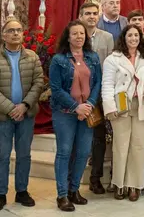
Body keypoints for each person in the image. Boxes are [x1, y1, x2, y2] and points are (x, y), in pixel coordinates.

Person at [0, 20, 44, 212]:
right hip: (1, 117)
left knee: (24, 155)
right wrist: (11, 108)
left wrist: (25, 106)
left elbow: (39, 83)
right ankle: (0, 194)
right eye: (11, 30)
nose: (15, 33)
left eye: (18, 30)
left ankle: (22, 191)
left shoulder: (32, 57)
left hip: (26, 115)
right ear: (4, 35)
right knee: (2, 156)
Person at [50, 20, 102, 212]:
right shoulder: (59, 60)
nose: (79, 37)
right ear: (68, 37)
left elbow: (97, 83)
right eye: (75, 34)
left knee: (82, 152)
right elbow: (55, 89)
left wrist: (89, 105)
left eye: (82, 34)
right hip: (65, 113)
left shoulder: (93, 57)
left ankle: (74, 190)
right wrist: (75, 107)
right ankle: (62, 194)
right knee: (64, 152)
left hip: (87, 112)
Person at [101, 25, 144, 201]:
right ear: (123, 38)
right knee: (120, 146)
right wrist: (109, 108)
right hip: (120, 106)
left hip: (140, 105)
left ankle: (135, 185)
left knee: (138, 146)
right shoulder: (112, 59)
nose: (133, 38)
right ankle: (119, 183)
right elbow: (107, 84)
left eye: (136, 35)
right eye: (130, 35)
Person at [78, 2, 114, 195]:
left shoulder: (107, 37)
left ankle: (95, 178)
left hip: (98, 94)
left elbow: (110, 64)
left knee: (99, 138)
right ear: (81, 16)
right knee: (78, 138)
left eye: (94, 13)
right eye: (88, 14)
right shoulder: (74, 35)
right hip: (77, 95)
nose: (92, 17)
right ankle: (72, 180)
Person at [126, 9, 144, 189]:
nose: (137, 22)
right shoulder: (123, 42)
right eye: (133, 19)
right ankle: (123, 177)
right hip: (126, 99)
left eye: (140, 20)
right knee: (125, 139)